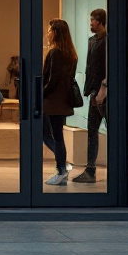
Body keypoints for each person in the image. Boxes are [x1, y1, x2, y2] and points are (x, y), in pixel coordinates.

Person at [42, 18, 78, 186]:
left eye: (50, 30)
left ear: (55, 32)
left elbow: (52, 79)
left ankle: (61, 168)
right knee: (53, 135)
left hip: (53, 101)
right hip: (62, 101)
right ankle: (62, 165)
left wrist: (41, 93)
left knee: (54, 136)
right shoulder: (71, 54)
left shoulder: (55, 52)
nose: (47, 33)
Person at [74, 9, 108, 183]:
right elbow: (90, 67)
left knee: (107, 131)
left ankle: (94, 170)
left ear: (100, 21)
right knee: (92, 132)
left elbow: (109, 66)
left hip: (103, 93)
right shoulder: (92, 41)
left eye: (93, 20)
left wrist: (104, 87)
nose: (90, 23)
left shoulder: (107, 41)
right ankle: (90, 170)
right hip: (94, 92)